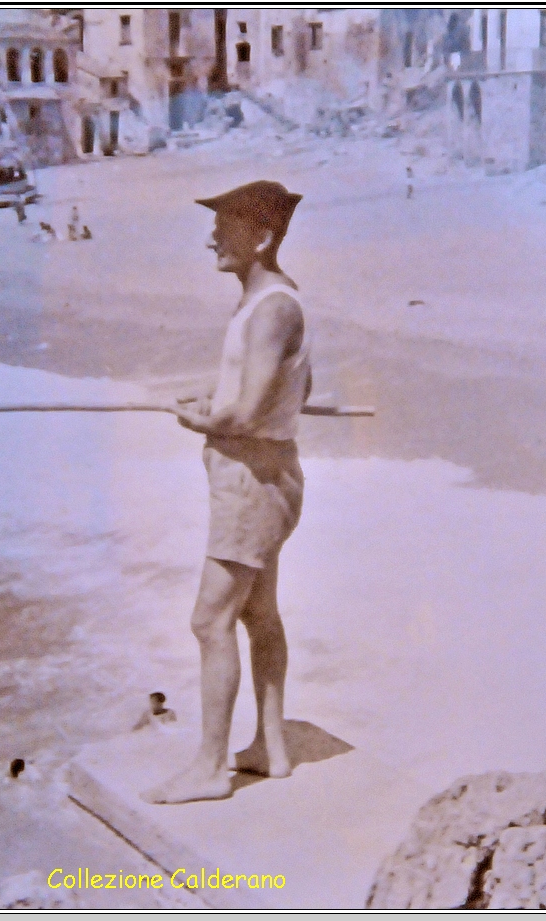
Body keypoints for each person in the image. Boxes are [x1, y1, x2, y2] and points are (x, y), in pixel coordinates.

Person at [141, 181, 310, 805]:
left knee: (211, 619)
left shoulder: (273, 310)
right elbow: (288, 394)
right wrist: (217, 405)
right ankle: (270, 746)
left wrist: (200, 418)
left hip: (253, 484)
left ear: (261, 237)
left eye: (227, 226)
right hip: (263, 477)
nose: (213, 236)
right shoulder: (273, 304)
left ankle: (211, 769)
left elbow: (241, 419)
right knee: (258, 614)